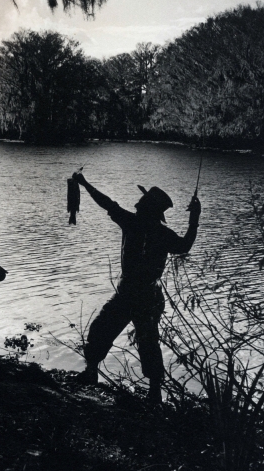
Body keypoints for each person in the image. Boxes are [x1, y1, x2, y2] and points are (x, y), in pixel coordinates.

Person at [72, 172, 201, 403]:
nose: (137, 203)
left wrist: (84, 183)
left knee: (142, 340)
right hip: (140, 295)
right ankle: (99, 376)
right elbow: (184, 245)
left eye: (142, 202)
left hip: (141, 296)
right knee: (113, 332)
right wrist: (194, 220)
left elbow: (106, 203)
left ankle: (152, 393)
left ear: (148, 208)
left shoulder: (132, 222)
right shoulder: (156, 231)